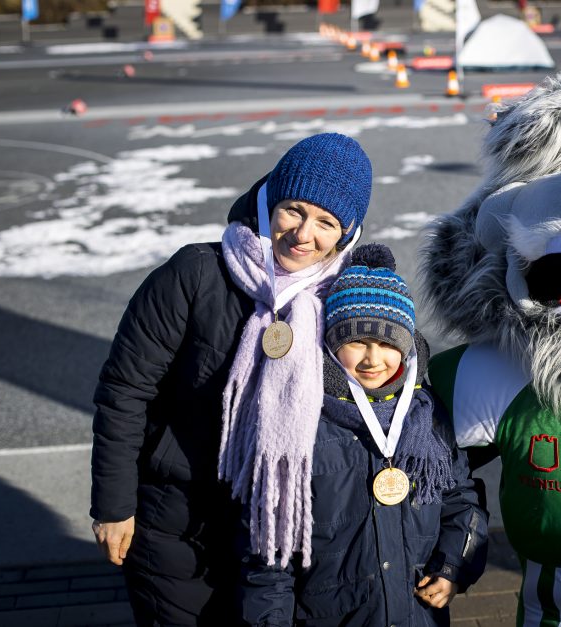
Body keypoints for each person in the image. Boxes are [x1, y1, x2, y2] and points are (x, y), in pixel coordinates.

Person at [90, 132, 374, 626]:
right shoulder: (195, 273)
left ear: (346, 235)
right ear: (269, 201)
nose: (303, 234)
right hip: (178, 519)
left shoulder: (349, 299)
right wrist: (113, 506)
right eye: (293, 210)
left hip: (282, 533)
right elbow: (124, 392)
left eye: (326, 222)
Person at [237, 244, 488, 626]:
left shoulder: (425, 414)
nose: (373, 359)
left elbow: (460, 499)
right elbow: (270, 552)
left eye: (388, 343)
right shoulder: (301, 421)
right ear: (333, 345)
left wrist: (452, 566)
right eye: (358, 342)